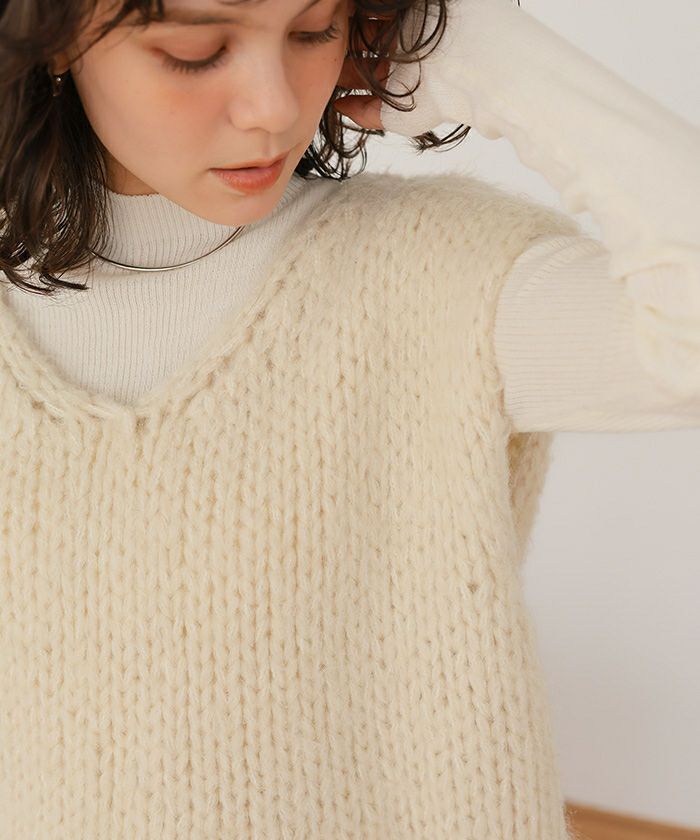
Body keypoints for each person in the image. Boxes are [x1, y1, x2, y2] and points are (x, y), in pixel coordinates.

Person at [0, 0, 697, 838]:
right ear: (49, 37)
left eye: (314, 31)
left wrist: (502, 64)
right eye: (196, 49)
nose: (275, 107)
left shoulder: (436, 275)